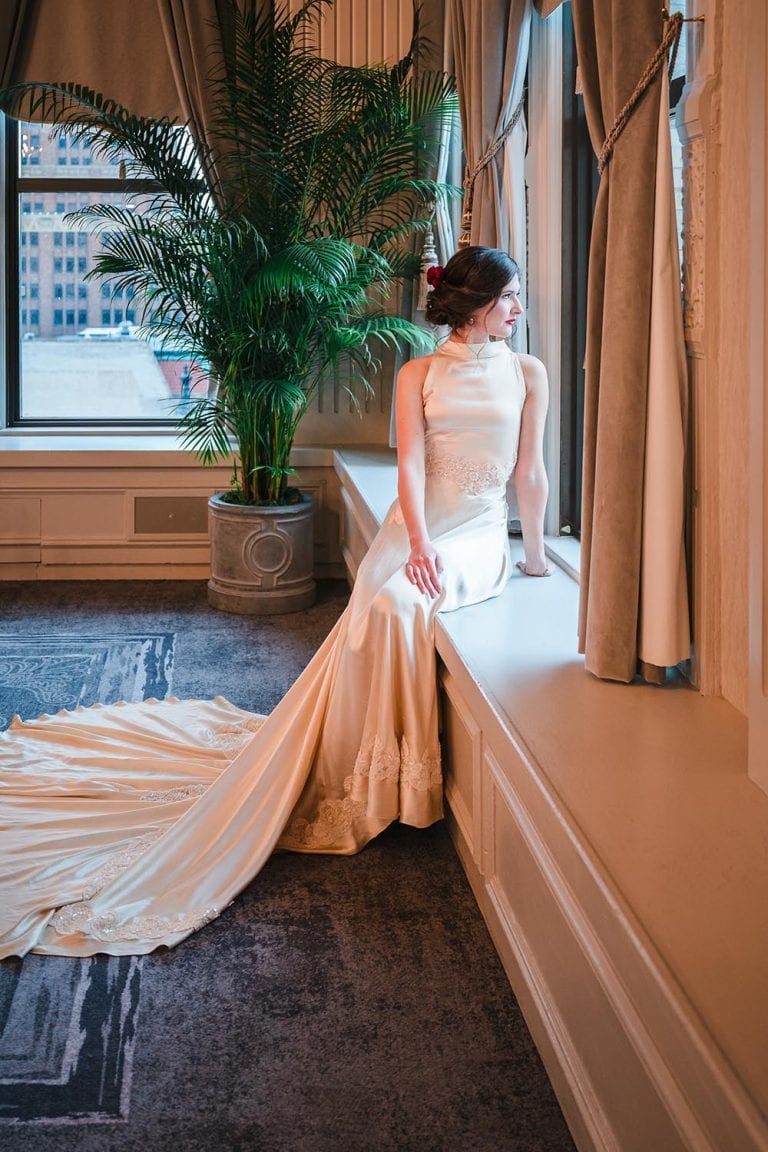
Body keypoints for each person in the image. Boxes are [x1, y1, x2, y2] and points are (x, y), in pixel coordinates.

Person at [0, 246, 550, 959]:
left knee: (400, 611)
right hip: (417, 531)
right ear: (478, 304)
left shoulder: (526, 370)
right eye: (510, 298)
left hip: (476, 535)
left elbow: (531, 471)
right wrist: (414, 543)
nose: (519, 310)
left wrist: (535, 553)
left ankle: (400, 784)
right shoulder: (418, 372)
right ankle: (362, 761)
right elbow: (410, 467)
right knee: (376, 609)